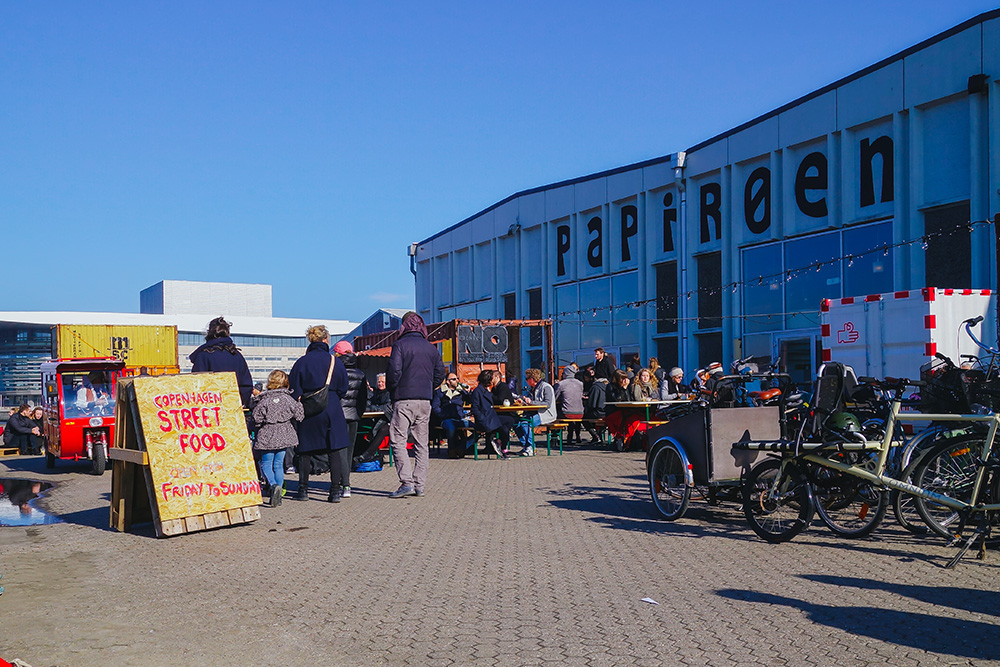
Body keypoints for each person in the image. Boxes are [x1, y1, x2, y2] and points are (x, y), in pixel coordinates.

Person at [385, 312, 446, 498]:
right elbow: (440, 373)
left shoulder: (400, 345)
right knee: (421, 444)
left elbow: (394, 372)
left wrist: (392, 389)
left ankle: (406, 483)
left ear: (403, 326)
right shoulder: (431, 348)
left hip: (404, 399)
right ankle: (420, 484)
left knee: (398, 440)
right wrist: (428, 386)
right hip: (424, 401)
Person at [289, 325, 351, 502]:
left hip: (309, 409)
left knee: (305, 451)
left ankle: (302, 490)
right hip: (331, 407)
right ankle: (334, 492)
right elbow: (343, 388)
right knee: (334, 449)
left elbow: (294, 390)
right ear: (326, 340)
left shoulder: (301, 362)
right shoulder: (335, 361)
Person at [252, 370, 304, 508]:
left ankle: (273, 485)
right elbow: (299, 416)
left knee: (266, 464)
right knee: (278, 464)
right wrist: (300, 404)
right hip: (284, 433)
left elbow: (256, 418)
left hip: (267, 433)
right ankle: (279, 494)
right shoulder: (289, 399)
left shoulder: (264, 400)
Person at [190, 317, 254, 408]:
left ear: (209, 333)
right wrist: (238, 402)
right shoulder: (237, 355)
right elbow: (246, 385)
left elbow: (196, 385)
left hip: (210, 409)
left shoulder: (204, 355)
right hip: (233, 408)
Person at [333, 340, 367, 500]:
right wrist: (358, 414)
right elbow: (363, 399)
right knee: (350, 449)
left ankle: (344, 483)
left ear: (338, 354)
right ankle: (346, 483)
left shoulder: (334, 371)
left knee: (339, 450)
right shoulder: (360, 373)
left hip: (337, 415)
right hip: (353, 415)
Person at [469, 370, 513, 459]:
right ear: (487, 380)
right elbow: (475, 408)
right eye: (491, 379)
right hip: (485, 420)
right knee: (506, 424)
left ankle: (500, 445)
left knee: (507, 424)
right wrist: (482, 419)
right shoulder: (478, 391)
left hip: (490, 417)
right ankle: (501, 446)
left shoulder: (486, 390)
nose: (492, 381)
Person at [516, 368, 556, 457]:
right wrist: (524, 402)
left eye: (527, 379)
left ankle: (531, 447)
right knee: (517, 423)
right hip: (535, 412)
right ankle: (526, 446)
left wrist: (531, 402)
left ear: (532, 379)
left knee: (526, 424)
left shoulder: (546, 387)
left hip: (546, 414)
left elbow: (547, 404)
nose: (526, 381)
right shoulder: (534, 388)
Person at [432, 372, 472, 458]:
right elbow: (435, 407)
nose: (457, 380)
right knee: (451, 428)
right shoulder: (440, 392)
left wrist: (468, 392)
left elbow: (471, 401)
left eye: (457, 378)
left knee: (479, 428)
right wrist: (443, 415)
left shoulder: (461, 391)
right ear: (448, 381)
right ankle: (452, 450)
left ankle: (461, 447)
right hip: (446, 419)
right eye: (454, 379)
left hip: (460, 418)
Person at [605, 370, 647, 451]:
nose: (625, 381)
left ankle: (632, 440)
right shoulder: (610, 386)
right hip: (614, 411)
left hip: (625, 410)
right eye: (622, 379)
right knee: (625, 418)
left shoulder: (626, 387)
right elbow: (616, 400)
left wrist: (626, 389)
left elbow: (628, 399)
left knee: (636, 417)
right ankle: (622, 439)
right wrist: (623, 389)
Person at [554, 365, 585, 444]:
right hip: (580, 412)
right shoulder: (580, 384)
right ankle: (577, 436)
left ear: (565, 374)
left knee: (556, 414)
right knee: (574, 413)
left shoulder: (561, 384)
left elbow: (555, 397)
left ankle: (555, 437)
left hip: (567, 413)